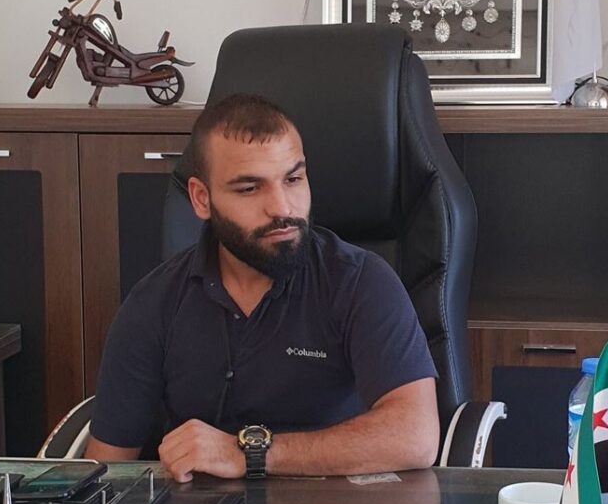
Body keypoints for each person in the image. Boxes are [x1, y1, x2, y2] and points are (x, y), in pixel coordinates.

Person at [85, 94, 440, 482]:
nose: (283, 208)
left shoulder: (360, 281)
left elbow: (416, 436)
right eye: (249, 188)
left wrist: (250, 454)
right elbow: (105, 472)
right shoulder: (153, 304)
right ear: (202, 199)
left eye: (293, 179)